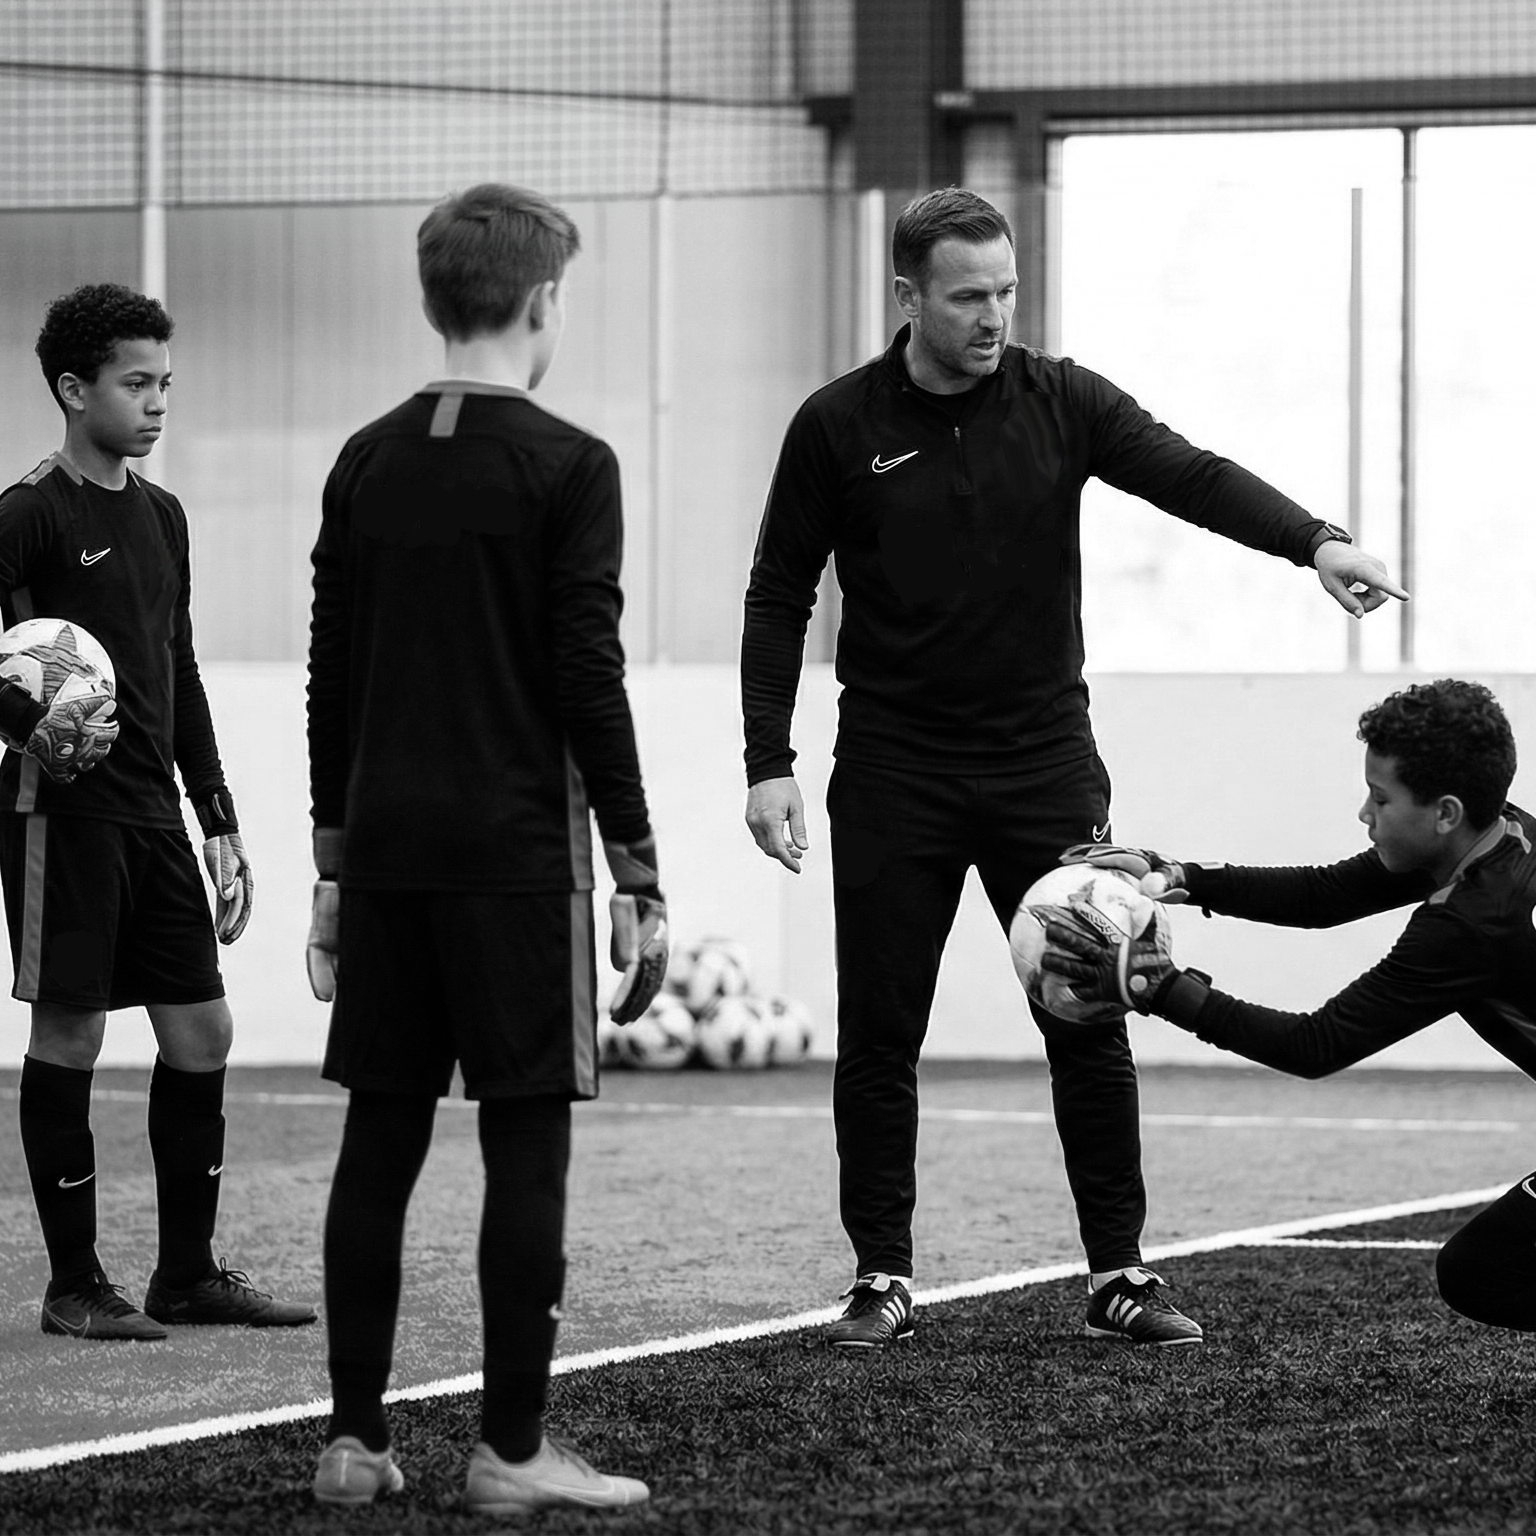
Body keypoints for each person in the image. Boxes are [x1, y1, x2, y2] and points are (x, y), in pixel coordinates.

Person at [740, 186, 1408, 1350]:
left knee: (1090, 1010)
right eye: (966, 296)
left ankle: (1120, 1273)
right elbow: (777, 593)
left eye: (1005, 291)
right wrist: (768, 759)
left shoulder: (1065, 399)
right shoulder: (837, 425)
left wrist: (1317, 539)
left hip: (1044, 768)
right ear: (907, 296)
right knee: (881, 1030)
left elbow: (1190, 474)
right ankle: (881, 1276)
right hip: (894, 767)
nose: (993, 315)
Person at [306, 183, 666, 1514]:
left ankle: (354, 1442)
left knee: (378, 1145)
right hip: (518, 858)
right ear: (540, 303)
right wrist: (635, 862)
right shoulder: (572, 465)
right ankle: (512, 1453)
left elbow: (327, 677)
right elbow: (588, 674)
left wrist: (333, 870)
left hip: (389, 855)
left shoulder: (365, 459)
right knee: (527, 1149)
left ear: (433, 299)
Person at [0, 283, 315, 1341]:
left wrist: (217, 812)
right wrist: (24, 722)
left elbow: (175, 667)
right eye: (136, 383)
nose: (156, 402)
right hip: (62, 818)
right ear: (72, 388)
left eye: (164, 383)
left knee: (202, 1029)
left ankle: (187, 1273)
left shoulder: (164, 515)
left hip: (153, 817)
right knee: (74, 1032)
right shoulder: (27, 514)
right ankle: (74, 1285)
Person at [1043, 678, 1536, 1332]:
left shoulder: (1470, 922)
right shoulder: (1506, 833)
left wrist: (1159, 988)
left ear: (1445, 812)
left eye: (1380, 798)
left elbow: (1315, 1046)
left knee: (1482, 1270)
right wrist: (1184, 876)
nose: (1366, 812)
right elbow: (1323, 897)